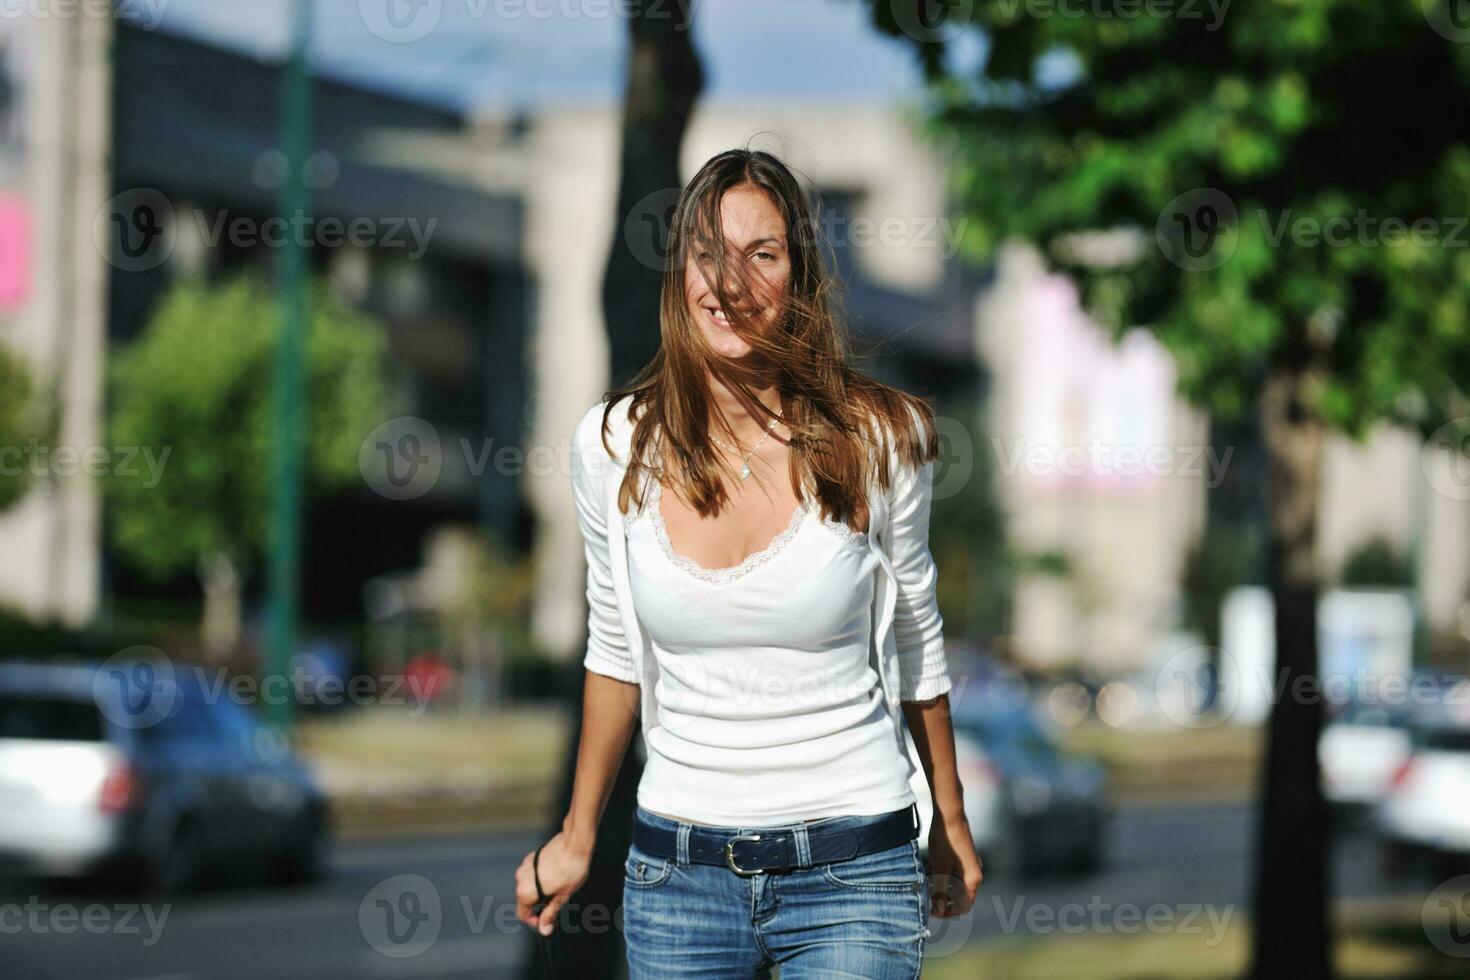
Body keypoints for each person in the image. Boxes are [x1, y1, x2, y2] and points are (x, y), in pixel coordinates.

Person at [516, 147, 983, 977]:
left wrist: (948, 818)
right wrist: (579, 830)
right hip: (678, 875)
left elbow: (915, 636)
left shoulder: (879, 441)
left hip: (854, 868)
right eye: (706, 253)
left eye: (761, 255)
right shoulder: (612, 446)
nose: (728, 283)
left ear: (799, 280)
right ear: (678, 275)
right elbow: (615, 650)